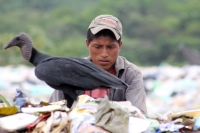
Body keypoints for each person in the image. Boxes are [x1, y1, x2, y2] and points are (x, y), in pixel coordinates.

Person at [49, 14, 147, 115]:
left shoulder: (131, 74)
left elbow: (138, 116)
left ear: (120, 46)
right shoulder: (70, 73)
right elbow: (53, 111)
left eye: (110, 47)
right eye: (97, 47)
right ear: (88, 44)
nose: (104, 54)